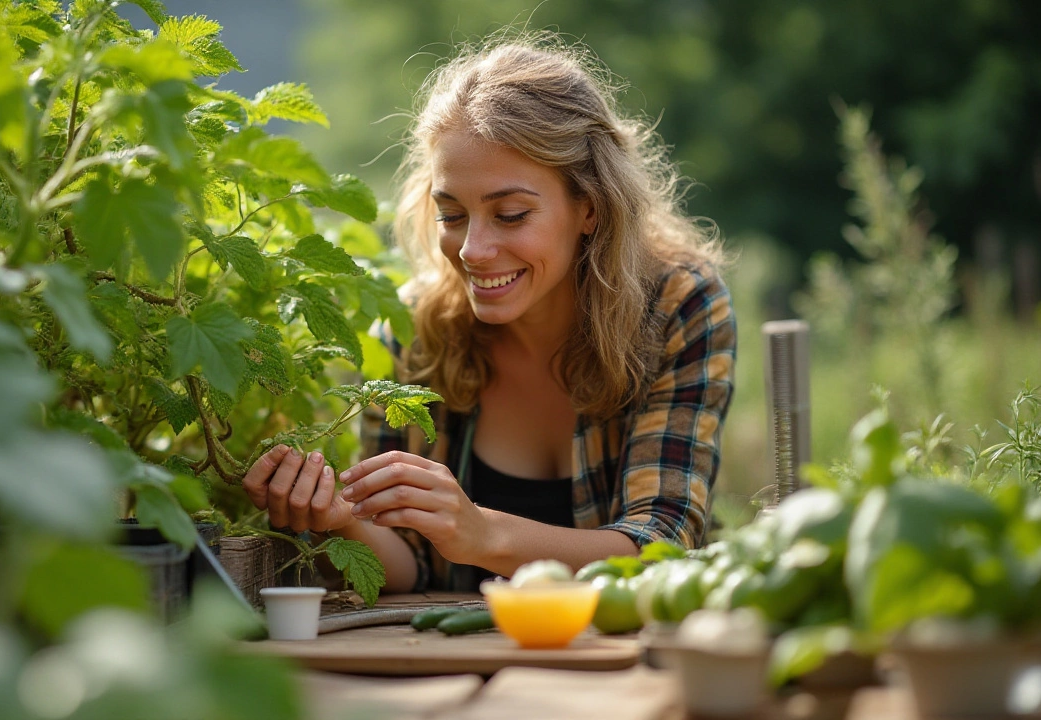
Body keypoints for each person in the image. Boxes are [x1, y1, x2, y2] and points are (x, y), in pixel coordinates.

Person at [242, 38, 735, 593]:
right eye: (452, 214)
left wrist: (482, 535)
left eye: (510, 214)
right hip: (444, 667)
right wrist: (338, 521)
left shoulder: (677, 308)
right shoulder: (416, 331)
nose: (472, 250)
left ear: (590, 208)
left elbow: (663, 548)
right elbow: (408, 563)